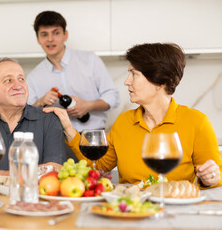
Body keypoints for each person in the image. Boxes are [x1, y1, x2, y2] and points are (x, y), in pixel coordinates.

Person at [44, 43, 222, 188]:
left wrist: (211, 177)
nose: (126, 81)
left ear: (159, 82)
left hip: (176, 212)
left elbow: (217, 175)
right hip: (131, 210)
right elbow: (98, 165)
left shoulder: (196, 122)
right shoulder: (124, 122)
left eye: (134, 74)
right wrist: (68, 128)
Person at [27, 10, 120, 132]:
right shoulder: (33, 77)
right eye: (44, 34)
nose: (50, 39)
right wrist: (39, 103)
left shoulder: (90, 60)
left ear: (65, 35)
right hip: (57, 139)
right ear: (38, 39)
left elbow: (113, 96)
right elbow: (26, 114)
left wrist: (88, 106)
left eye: (56, 33)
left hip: (93, 135)